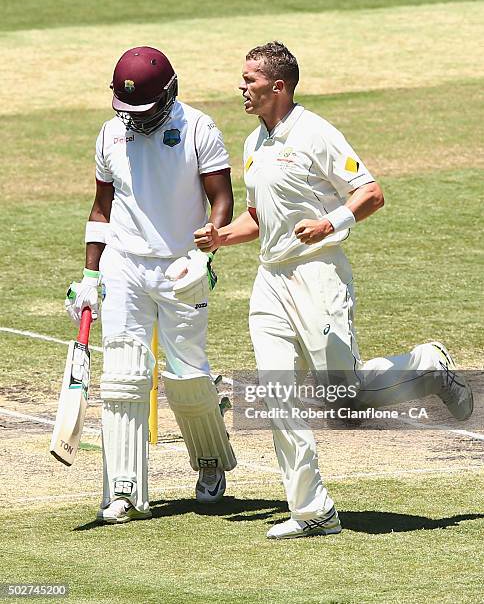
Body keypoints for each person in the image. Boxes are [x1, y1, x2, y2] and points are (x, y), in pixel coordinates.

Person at [194, 41, 473, 540]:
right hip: (271, 281)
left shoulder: (316, 133)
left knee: (342, 401)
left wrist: (330, 222)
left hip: (319, 274)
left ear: (277, 86)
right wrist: (221, 237)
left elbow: (371, 193)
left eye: (250, 79)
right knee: (277, 395)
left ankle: (428, 366)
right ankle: (313, 510)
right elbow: (260, 218)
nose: (242, 87)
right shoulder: (252, 144)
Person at [65, 46, 237, 524]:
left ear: (169, 93)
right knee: (123, 376)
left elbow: (220, 198)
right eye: (128, 111)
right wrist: (90, 274)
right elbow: (101, 209)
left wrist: (206, 253)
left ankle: (208, 459)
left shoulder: (199, 128)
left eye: (145, 110)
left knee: (186, 376)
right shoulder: (110, 134)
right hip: (124, 266)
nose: (135, 120)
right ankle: (122, 488)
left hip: (182, 266)